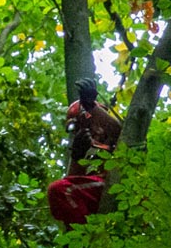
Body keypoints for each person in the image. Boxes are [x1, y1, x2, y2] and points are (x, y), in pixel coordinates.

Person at [47, 78, 121, 228]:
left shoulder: (116, 138)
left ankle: (86, 236)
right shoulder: (85, 146)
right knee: (62, 196)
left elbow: (120, 131)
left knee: (59, 190)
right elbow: (74, 184)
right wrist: (77, 156)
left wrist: (91, 107)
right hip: (99, 201)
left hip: (121, 189)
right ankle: (82, 240)